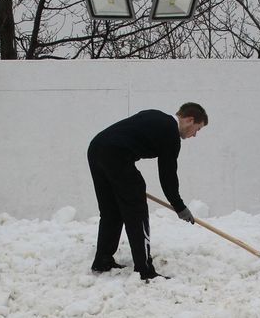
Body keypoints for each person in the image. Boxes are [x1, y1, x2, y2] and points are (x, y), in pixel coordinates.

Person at [88, 102, 208, 281]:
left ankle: (102, 261)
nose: (195, 135)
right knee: (136, 211)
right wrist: (179, 206)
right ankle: (145, 270)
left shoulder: (156, 116)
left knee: (111, 211)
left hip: (96, 148)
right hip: (116, 156)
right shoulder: (171, 133)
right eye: (197, 129)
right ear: (189, 120)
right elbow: (167, 176)